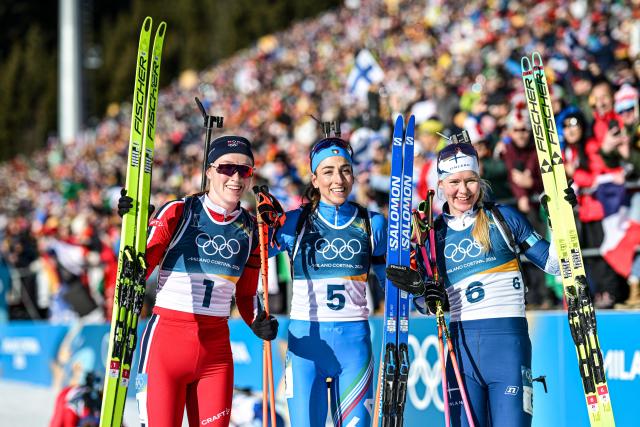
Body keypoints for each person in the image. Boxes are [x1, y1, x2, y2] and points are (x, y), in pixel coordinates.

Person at [386, 139, 575, 427]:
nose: (463, 190)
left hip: (508, 349)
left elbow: (554, 264)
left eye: (471, 181)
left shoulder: (501, 217)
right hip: (460, 349)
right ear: (440, 184)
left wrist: (562, 220)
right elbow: (427, 305)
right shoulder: (432, 235)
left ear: (480, 179)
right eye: (454, 182)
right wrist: (423, 293)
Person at [118, 135, 278, 427]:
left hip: (215, 354)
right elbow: (140, 267)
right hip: (166, 345)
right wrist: (133, 225)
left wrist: (258, 320)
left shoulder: (252, 229)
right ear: (209, 171)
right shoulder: (180, 211)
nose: (236, 177)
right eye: (226, 168)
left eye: (245, 170)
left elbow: (245, 295)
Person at [261, 136, 387, 427]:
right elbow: (250, 253)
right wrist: (261, 225)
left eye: (345, 170)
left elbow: (393, 282)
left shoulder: (372, 223)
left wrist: (416, 291)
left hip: (354, 347)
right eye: (328, 171)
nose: (338, 179)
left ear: (353, 175)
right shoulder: (295, 222)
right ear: (314, 179)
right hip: (306, 347)